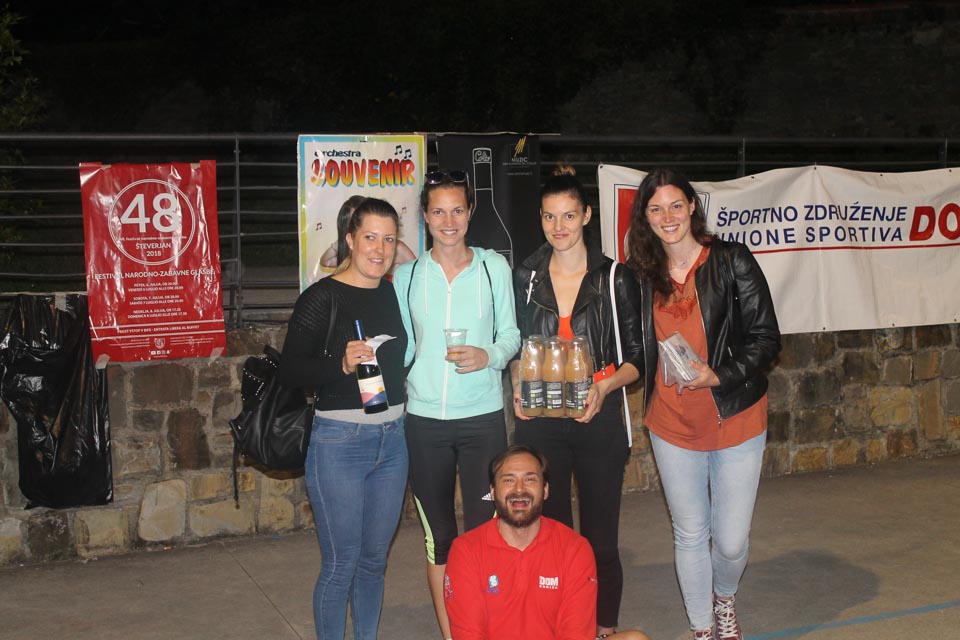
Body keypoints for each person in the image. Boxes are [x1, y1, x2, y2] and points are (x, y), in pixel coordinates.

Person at [625, 168, 781, 640]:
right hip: (672, 423)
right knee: (690, 533)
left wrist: (719, 374)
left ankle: (725, 597)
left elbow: (766, 340)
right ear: (645, 217)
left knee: (730, 542)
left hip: (735, 416)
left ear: (692, 206)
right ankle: (703, 627)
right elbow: (630, 345)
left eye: (676, 205)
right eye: (656, 209)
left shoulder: (731, 260)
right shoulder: (640, 276)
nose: (668, 216)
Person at [511, 167, 643, 639]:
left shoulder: (615, 278)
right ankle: (561, 627)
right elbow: (516, 344)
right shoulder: (526, 276)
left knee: (600, 542)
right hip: (542, 420)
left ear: (587, 215)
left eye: (569, 215)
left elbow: (638, 359)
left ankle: (603, 629)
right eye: (549, 216)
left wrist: (605, 388)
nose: (559, 226)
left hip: (598, 418)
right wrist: (517, 384)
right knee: (552, 538)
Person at [392, 169, 521, 640]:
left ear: (470, 213)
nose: (449, 221)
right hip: (424, 423)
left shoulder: (492, 268)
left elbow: (512, 335)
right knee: (440, 538)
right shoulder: (406, 276)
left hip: (482, 420)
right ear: (425, 217)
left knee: (487, 534)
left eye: (458, 210)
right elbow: (403, 348)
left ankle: (491, 629)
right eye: (439, 211)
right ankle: (455, 635)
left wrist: (489, 355)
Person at [278, 197, 409, 640]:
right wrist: (339, 363)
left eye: (388, 239)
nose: (379, 248)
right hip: (340, 443)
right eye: (370, 237)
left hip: (393, 441)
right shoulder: (321, 297)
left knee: (373, 562)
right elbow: (289, 371)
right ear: (350, 239)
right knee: (341, 563)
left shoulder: (392, 292)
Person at [444, 444, 649, 640]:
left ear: (545, 490)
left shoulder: (574, 548)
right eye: (508, 480)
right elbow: (469, 635)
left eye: (530, 479)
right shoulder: (466, 550)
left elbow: (575, 633)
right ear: (493, 491)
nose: (519, 489)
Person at [321, 195, 416, 271]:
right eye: (353, 222)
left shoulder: (396, 247)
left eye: (389, 239)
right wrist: (342, 241)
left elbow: (419, 273)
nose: (380, 249)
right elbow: (325, 262)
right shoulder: (352, 251)